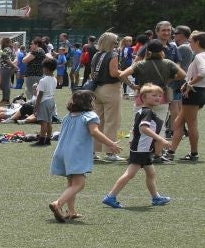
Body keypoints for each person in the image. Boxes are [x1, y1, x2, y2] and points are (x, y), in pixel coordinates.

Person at [49, 90, 120, 222]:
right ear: (90, 102)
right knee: (79, 184)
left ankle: (71, 211)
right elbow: (94, 132)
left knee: (71, 183)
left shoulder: (69, 116)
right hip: (76, 153)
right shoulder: (90, 116)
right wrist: (111, 144)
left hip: (62, 151)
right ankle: (58, 204)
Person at [103, 84, 174, 209]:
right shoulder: (147, 112)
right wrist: (160, 139)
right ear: (143, 98)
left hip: (143, 149)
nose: (158, 98)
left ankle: (156, 197)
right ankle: (111, 196)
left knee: (151, 173)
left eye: (159, 95)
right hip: (141, 150)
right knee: (130, 174)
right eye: (154, 95)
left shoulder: (144, 110)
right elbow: (144, 128)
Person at [129, 40, 183, 162]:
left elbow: (123, 75)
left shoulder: (141, 64)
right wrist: (168, 80)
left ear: (147, 51)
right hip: (161, 97)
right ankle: (158, 154)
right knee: (160, 127)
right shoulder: (167, 63)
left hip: (142, 97)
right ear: (162, 51)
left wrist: (132, 85)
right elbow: (182, 74)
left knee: (137, 125)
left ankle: (134, 151)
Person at [87, 32, 130, 161]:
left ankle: (93, 152)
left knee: (97, 121)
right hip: (110, 89)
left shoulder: (96, 54)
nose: (117, 44)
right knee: (112, 121)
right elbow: (114, 72)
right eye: (115, 42)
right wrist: (128, 72)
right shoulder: (113, 55)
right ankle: (111, 152)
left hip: (96, 89)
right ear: (112, 43)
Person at [179, 32, 205, 162]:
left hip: (194, 92)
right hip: (200, 91)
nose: (190, 44)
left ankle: (194, 153)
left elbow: (203, 72)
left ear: (198, 42)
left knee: (192, 124)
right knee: (179, 122)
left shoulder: (199, 56)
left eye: (191, 42)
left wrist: (189, 83)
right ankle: (171, 150)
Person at [32, 59, 59, 147]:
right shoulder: (54, 79)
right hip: (52, 100)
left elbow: (40, 94)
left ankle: (42, 139)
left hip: (44, 101)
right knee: (49, 121)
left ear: (46, 68)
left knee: (43, 122)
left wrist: (36, 107)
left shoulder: (43, 80)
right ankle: (48, 139)